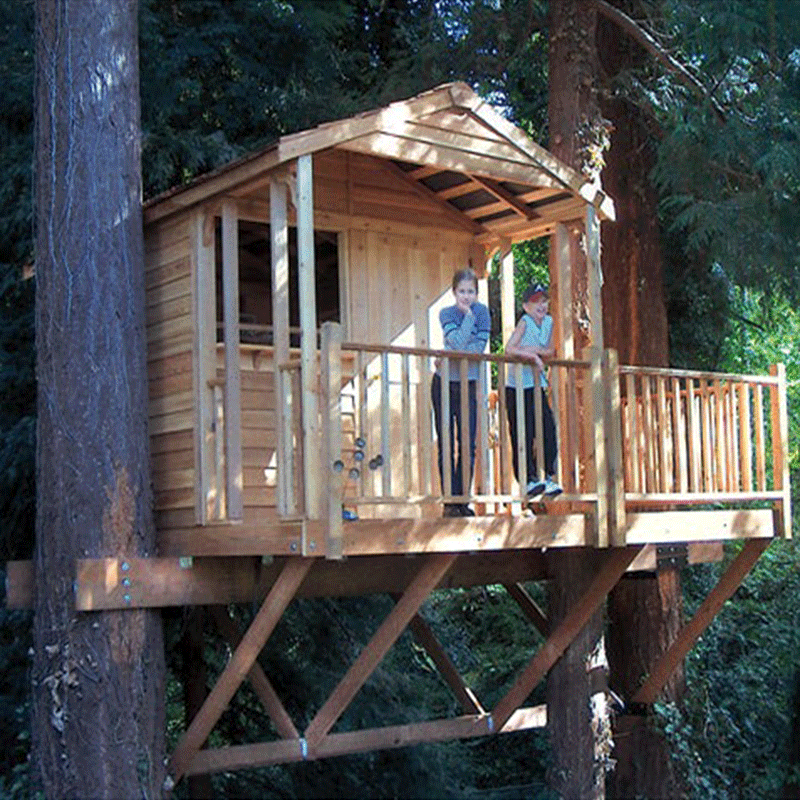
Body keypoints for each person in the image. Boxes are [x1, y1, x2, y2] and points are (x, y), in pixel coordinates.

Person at [432, 268, 491, 517]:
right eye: (462, 291)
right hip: (444, 383)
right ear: (454, 292)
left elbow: (477, 350)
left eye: (471, 292)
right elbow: (456, 344)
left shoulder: (484, 312)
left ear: (476, 293)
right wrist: (468, 318)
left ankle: (462, 501)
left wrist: (462, 336)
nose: (466, 296)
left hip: (469, 385)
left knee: (467, 444)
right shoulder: (446, 313)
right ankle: (449, 502)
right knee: (446, 442)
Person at [504, 283, 562, 499]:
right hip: (517, 386)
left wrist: (532, 352)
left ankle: (549, 477)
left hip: (538, 384)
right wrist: (533, 357)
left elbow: (550, 351)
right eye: (536, 302)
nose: (542, 305)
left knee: (548, 428)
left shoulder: (549, 322)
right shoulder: (525, 322)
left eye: (544, 301)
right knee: (523, 432)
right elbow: (510, 349)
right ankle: (527, 480)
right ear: (526, 306)